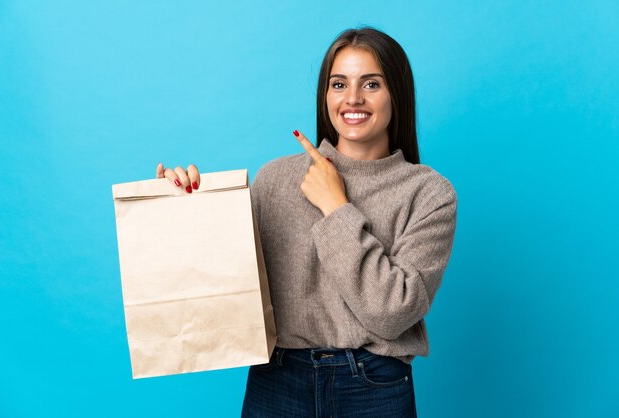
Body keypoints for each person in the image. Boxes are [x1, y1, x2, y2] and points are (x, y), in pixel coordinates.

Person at [157, 27, 457, 418]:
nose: (353, 98)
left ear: (396, 92)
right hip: (278, 381)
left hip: (375, 388)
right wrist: (182, 203)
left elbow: (392, 313)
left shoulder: (429, 193)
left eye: (371, 83)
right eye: (338, 84)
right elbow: (222, 280)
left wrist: (337, 208)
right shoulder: (276, 180)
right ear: (325, 95)